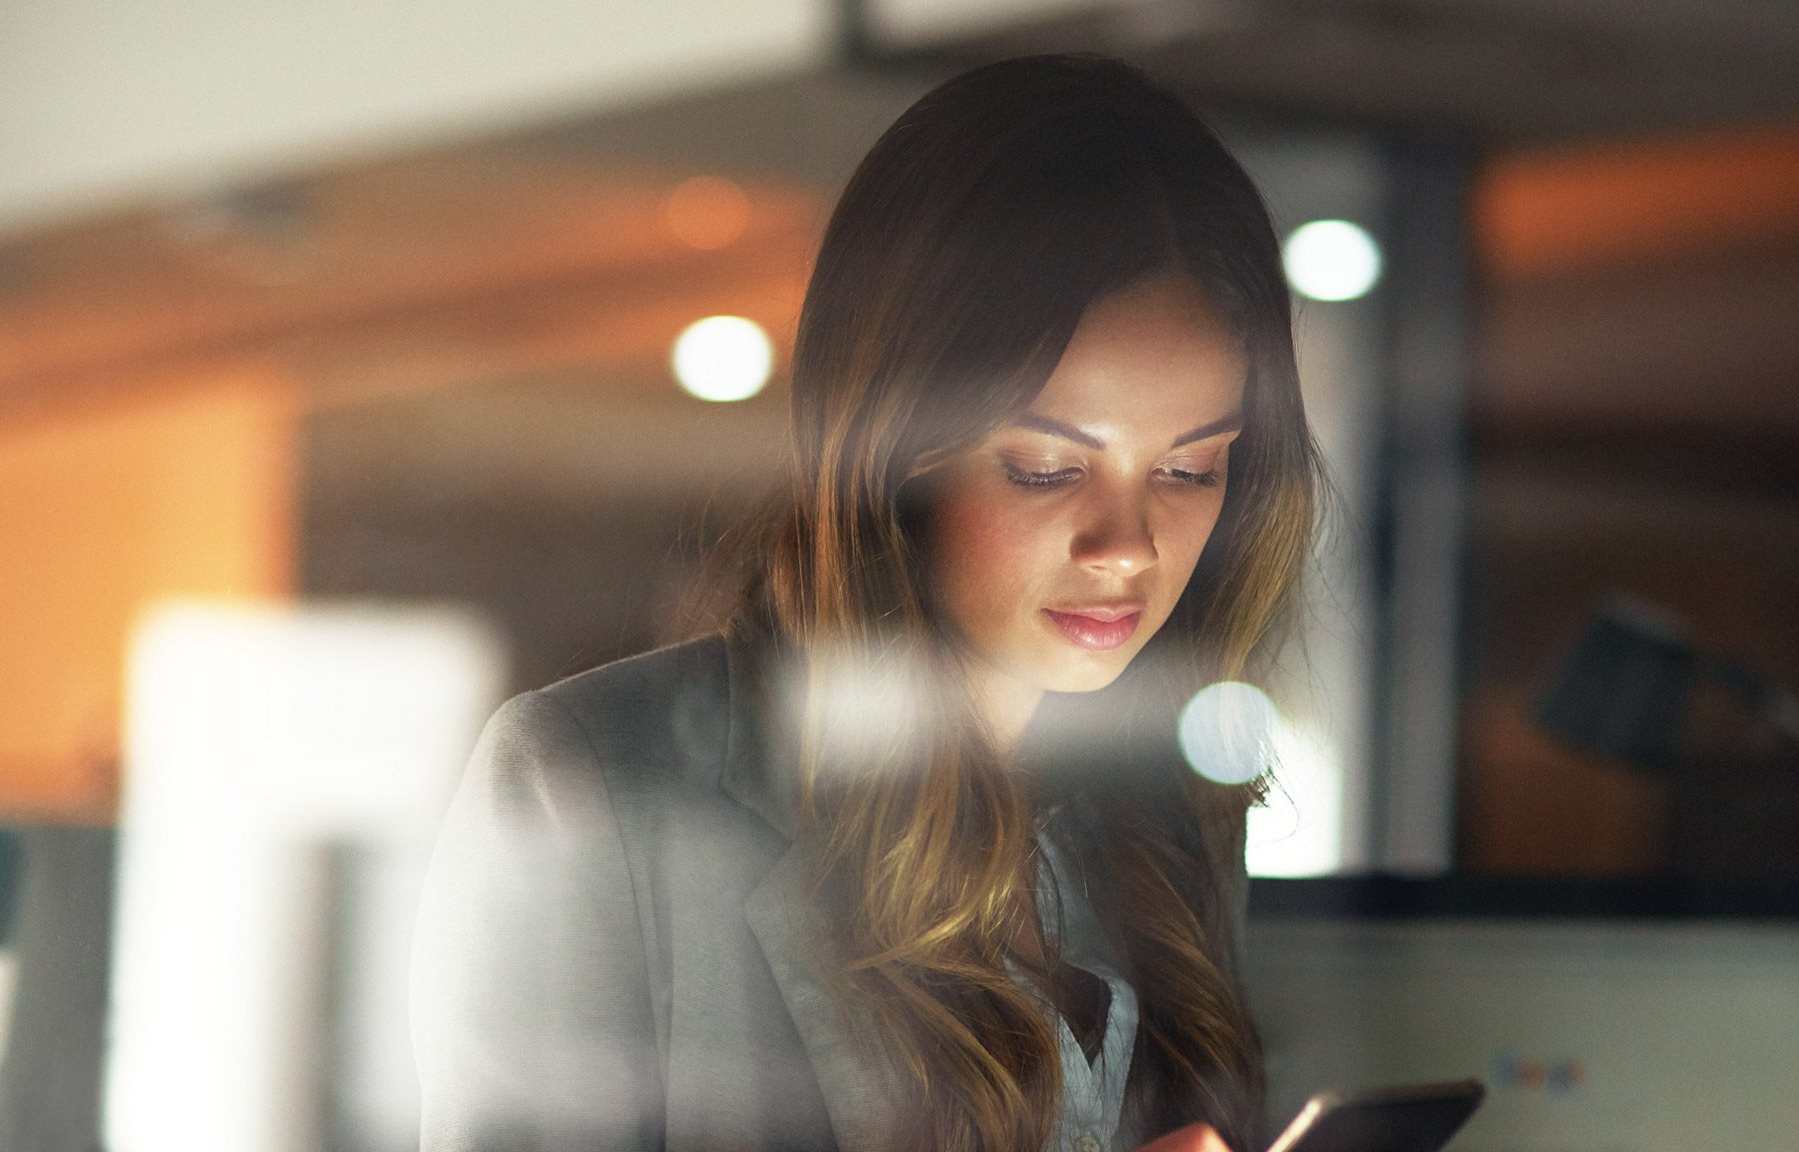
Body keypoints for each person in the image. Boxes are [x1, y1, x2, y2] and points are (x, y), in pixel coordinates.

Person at [413, 52, 1320, 1152]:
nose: (1126, 548)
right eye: (1043, 467)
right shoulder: (591, 784)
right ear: (894, 452)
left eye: (1189, 470)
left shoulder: (1166, 819)